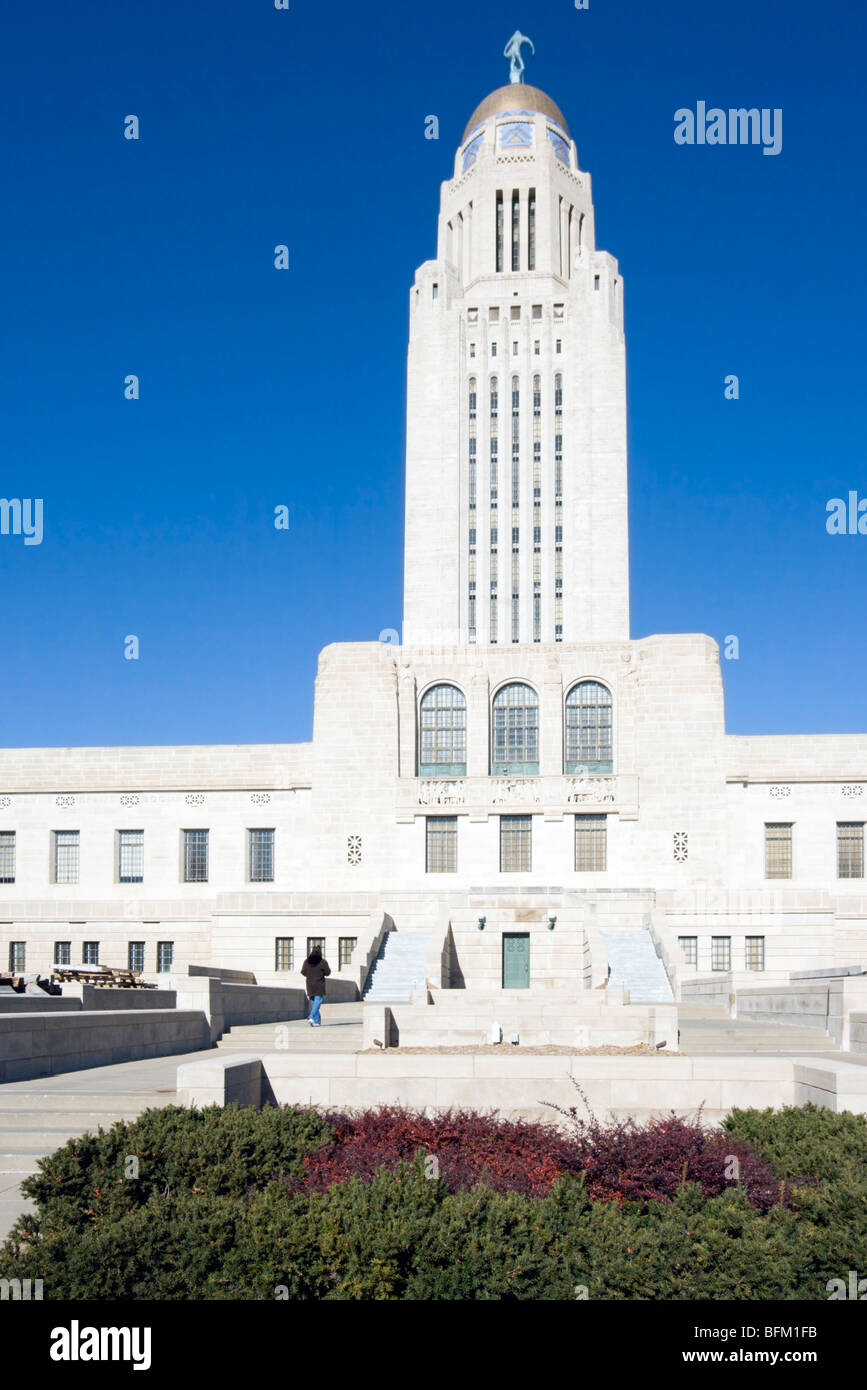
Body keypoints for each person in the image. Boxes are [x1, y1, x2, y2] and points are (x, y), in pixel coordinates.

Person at [301, 946, 331, 1027]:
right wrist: (321, 973)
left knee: (314, 1004)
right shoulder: (323, 962)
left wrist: (310, 974)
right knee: (317, 1003)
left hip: (310, 985)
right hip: (319, 985)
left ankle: (317, 1022)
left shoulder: (306, 961)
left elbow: (303, 972)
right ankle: (311, 1016)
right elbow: (328, 972)